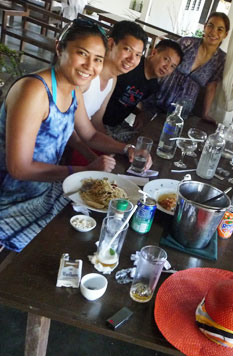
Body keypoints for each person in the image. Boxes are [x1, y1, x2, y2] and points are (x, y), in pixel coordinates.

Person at [0, 19, 151, 252]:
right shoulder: (34, 90)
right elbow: (18, 168)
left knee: (103, 227)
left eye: (98, 59)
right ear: (60, 48)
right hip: (9, 199)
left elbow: (89, 134)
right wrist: (84, 172)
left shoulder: (73, 90)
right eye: (82, 53)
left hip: (41, 190)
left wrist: (126, 149)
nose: (90, 66)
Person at [69, 20, 148, 164]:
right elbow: (66, 127)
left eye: (138, 55)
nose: (132, 59)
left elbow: (97, 122)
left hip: (84, 140)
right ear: (111, 44)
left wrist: (118, 148)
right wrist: (92, 155)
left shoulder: (113, 80)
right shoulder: (86, 76)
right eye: (127, 50)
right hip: (66, 146)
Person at [143, 12, 230, 123]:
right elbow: (162, 63)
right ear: (205, 27)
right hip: (158, 95)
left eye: (220, 29)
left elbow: (211, 87)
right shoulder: (187, 43)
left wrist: (205, 114)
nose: (213, 32)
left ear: (225, 34)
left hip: (182, 110)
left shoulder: (221, 60)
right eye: (210, 26)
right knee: (142, 130)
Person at [101, 39, 184, 142]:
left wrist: (140, 113)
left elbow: (127, 102)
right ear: (154, 52)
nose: (167, 67)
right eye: (166, 59)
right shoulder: (130, 65)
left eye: (172, 66)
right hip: (98, 121)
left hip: (116, 124)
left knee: (146, 141)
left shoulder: (153, 85)